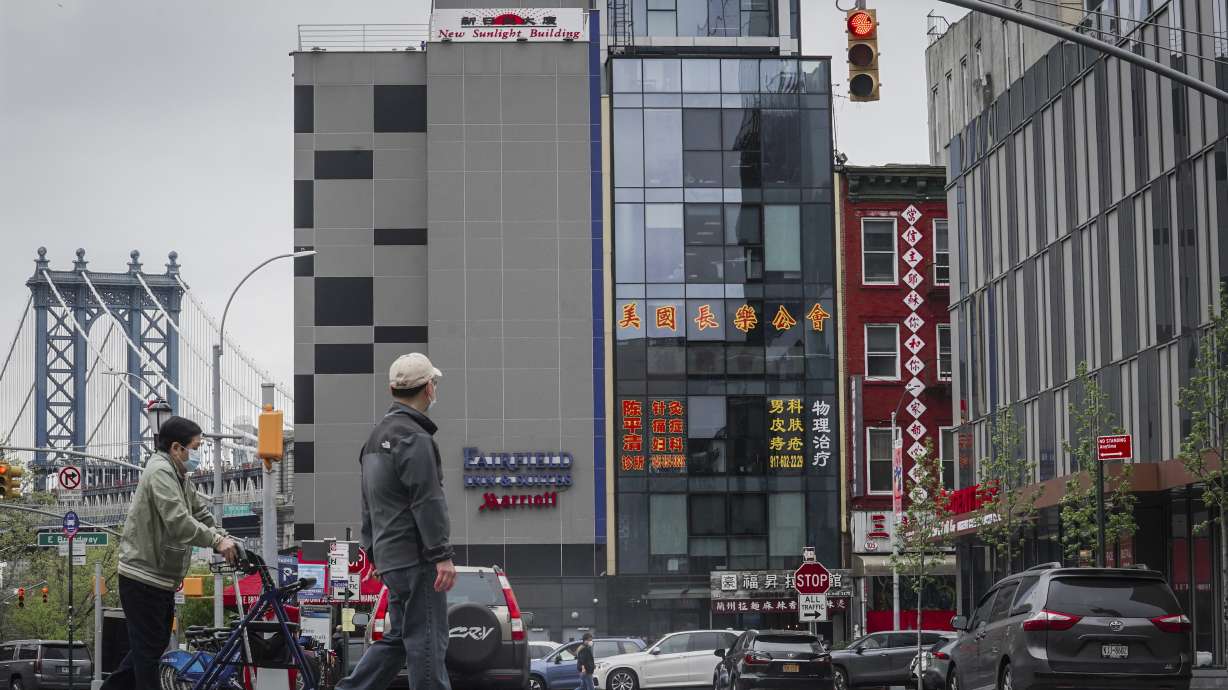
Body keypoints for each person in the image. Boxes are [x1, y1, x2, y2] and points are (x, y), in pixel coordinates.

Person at [338, 352, 457, 690]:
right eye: (433, 383)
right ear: (429, 389)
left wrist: (374, 554)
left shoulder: (375, 438)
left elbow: (368, 503)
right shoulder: (415, 438)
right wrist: (441, 555)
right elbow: (428, 500)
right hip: (418, 559)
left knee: (398, 639)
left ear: (393, 388)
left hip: (392, 560)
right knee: (428, 644)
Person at [102, 416, 239, 690]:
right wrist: (215, 542)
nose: (197, 455)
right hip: (142, 577)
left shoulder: (179, 475)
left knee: (148, 648)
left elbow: (198, 512)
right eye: (196, 447)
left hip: (158, 578)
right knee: (149, 654)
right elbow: (178, 521)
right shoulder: (160, 472)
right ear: (177, 448)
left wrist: (225, 536)